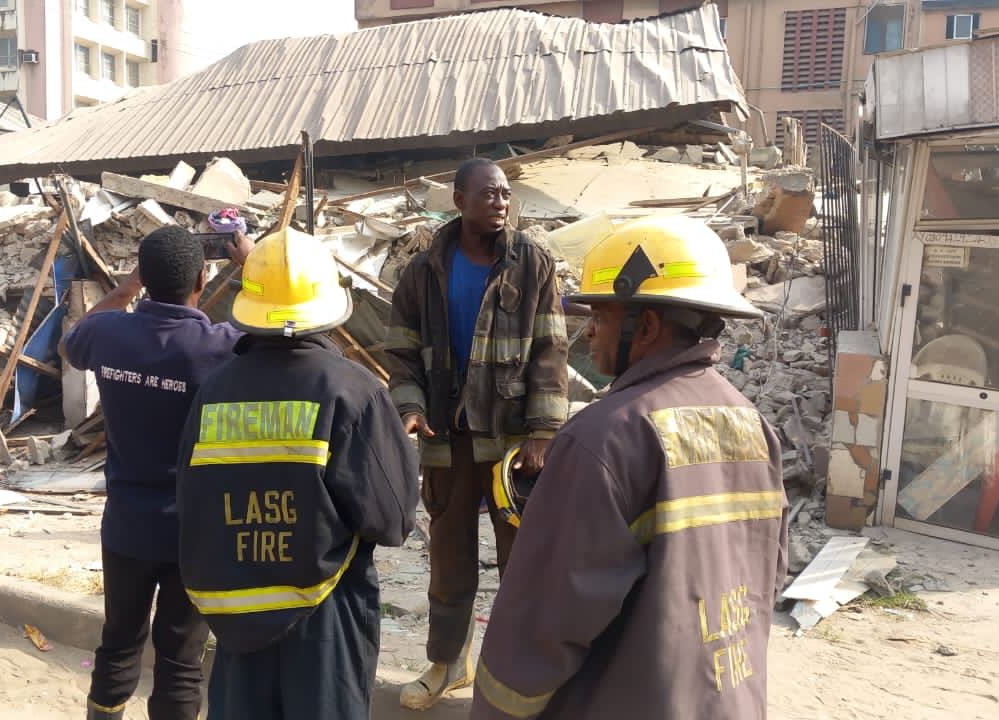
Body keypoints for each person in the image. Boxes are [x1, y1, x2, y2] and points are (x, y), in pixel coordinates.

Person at [470, 216, 788, 720]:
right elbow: (766, 575)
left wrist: (496, 710)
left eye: (602, 314)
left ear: (649, 327)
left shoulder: (604, 437)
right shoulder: (752, 423)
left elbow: (545, 623)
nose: (590, 329)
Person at [175, 226, 419, 720]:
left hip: (236, 615)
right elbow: (392, 518)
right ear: (327, 305)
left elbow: (191, 500)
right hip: (325, 615)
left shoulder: (215, 392)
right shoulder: (353, 390)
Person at [385, 157, 569, 710]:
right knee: (449, 554)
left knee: (521, 558)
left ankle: (517, 673)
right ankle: (447, 664)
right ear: (458, 199)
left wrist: (542, 431)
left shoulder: (532, 263)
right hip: (449, 440)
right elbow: (400, 352)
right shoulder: (423, 272)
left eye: (507, 194)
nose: (501, 202)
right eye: (488, 194)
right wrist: (410, 408)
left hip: (513, 444)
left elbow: (550, 350)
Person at [62, 225, 251, 720]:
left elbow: (72, 344)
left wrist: (124, 290)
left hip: (126, 526)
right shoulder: (219, 346)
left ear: (144, 275)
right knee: (181, 659)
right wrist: (250, 267)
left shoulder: (108, 333)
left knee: (118, 644)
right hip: (194, 532)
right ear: (203, 277)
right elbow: (288, 336)